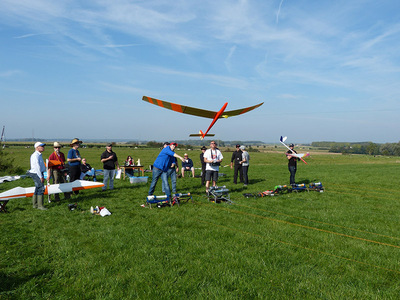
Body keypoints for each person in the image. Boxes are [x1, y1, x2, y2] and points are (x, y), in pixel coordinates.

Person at [27, 142, 47, 210]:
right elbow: (37, 167)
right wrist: (40, 176)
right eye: (41, 146)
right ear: (37, 147)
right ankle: (40, 205)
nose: (43, 147)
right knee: (41, 188)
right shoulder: (35, 155)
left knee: (37, 188)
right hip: (36, 173)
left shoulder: (38, 155)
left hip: (37, 173)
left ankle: (35, 204)